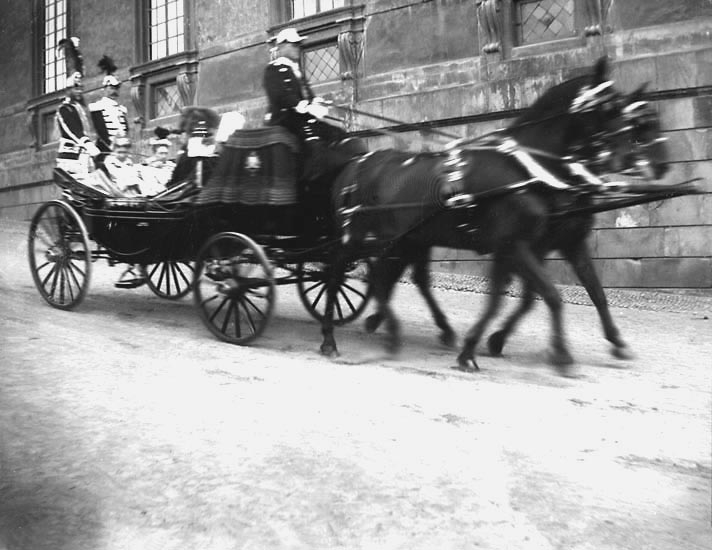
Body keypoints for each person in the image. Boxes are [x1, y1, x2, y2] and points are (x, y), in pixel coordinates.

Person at [263, 27, 348, 182]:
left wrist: (316, 102)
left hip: (303, 120)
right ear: (282, 47)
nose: (298, 48)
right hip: (285, 122)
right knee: (314, 145)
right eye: (294, 44)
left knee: (339, 134)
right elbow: (281, 97)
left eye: (298, 45)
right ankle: (309, 184)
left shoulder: (297, 70)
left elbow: (307, 95)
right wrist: (304, 106)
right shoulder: (273, 69)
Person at [55, 37, 101, 182]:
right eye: (76, 88)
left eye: (80, 88)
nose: (79, 91)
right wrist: (87, 143)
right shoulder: (64, 109)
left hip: (85, 156)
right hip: (70, 158)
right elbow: (72, 130)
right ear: (68, 90)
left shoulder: (81, 108)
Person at [89, 55, 129, 163]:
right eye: (111, 88)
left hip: (121, 152)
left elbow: (125, 131)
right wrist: (112, 148)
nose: (114, 92)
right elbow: (101, 131)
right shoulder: (97, 107)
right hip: (105, 152)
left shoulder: (122, 109)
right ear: (104, 89)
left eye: (116, 89)